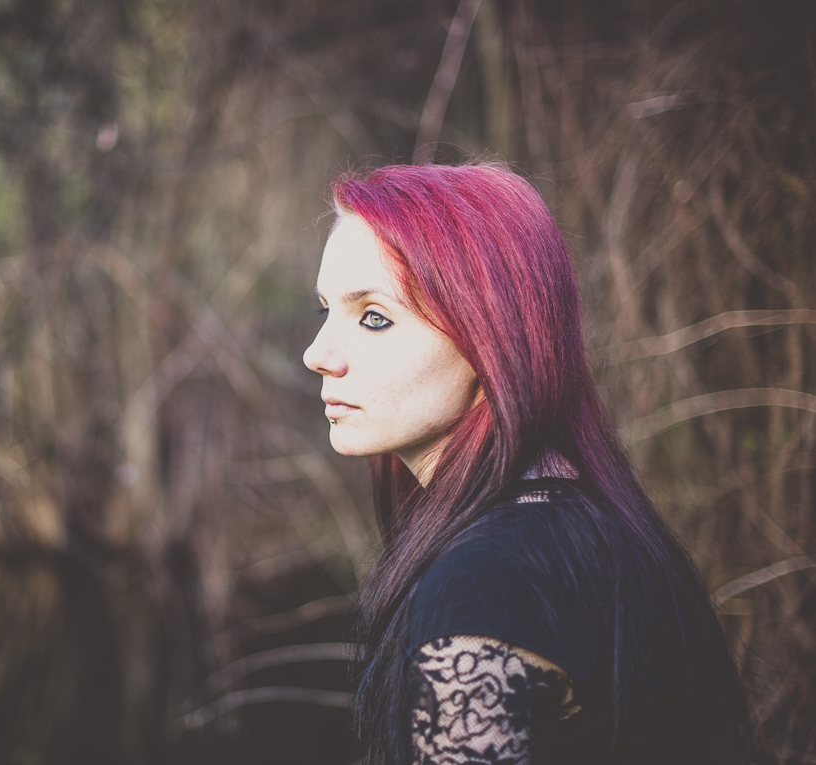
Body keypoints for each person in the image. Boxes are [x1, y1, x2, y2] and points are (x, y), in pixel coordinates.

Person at [302, 164, 749, 765]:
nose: (317, 354)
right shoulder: (576, 520)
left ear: (491, 338)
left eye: (373, 317)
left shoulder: (490, 579)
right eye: (325, 309)